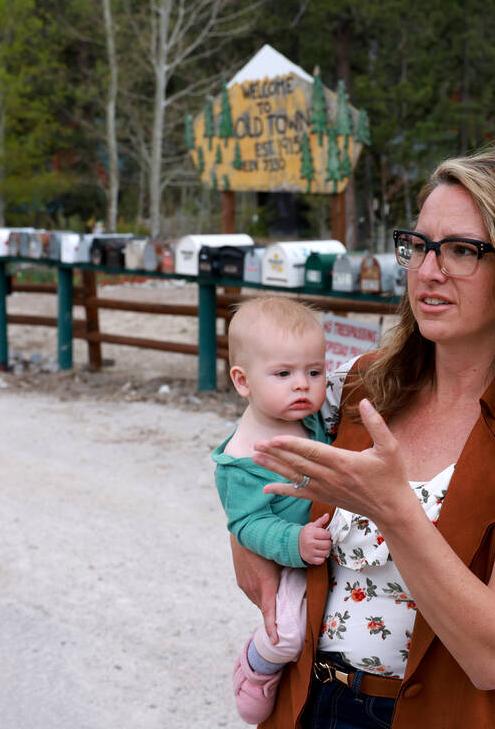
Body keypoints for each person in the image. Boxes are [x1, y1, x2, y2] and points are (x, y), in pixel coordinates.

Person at [237, 148, 495, 728]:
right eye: (419, 245)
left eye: (461, 250)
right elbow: (246, 452)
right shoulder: (357, 386)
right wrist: (245, 529)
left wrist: (396, 512)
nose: (427, 271)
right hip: (305, 704)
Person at [214, 296, 337, 723]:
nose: (302, 385)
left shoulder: (312, 418)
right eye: (283, 374)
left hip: (322, 541)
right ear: (243, 381)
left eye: (314, 372)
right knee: (286, 634)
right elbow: (246, 523)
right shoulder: (243, 457)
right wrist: (294, 543)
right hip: (289, 559)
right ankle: (256, 667)